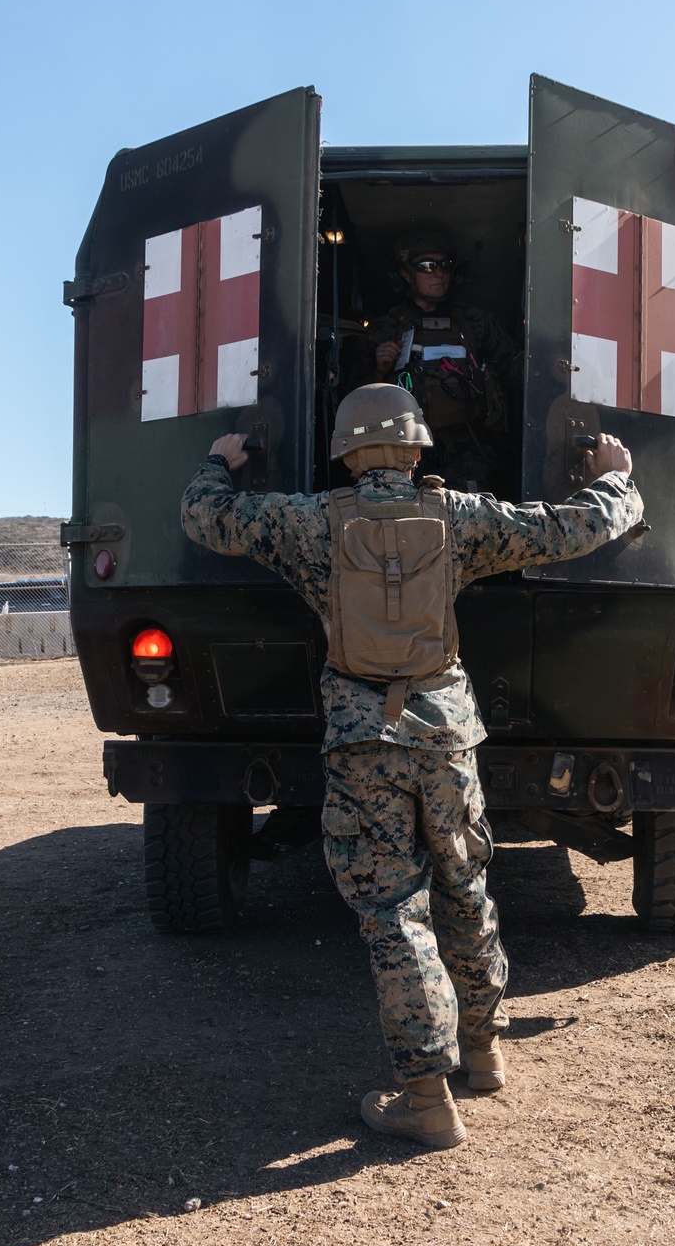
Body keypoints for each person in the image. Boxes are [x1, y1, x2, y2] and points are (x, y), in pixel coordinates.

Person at [181, 383, 642, 1151]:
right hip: (447, 734)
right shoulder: (458, 516)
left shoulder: (306, 523)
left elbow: (206, 519)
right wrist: (617, 475)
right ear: (417, 447)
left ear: (346, 453)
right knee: (465, 885)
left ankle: (427, 1097)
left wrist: (216, 462)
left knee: (395, 909)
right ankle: (485, 1051)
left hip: (364, 740)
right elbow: (575, 528)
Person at [353, 230, 520, 494]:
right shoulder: (385, 329)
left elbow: (515, 367)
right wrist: (379, 369)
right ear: (406, 274)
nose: (438, 273)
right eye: (427, 266)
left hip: (466, 450)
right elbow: (352, 403)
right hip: (402, 452)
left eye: (445, 265)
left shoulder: (476, 323)